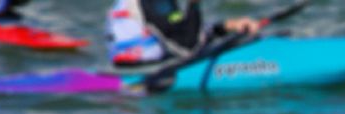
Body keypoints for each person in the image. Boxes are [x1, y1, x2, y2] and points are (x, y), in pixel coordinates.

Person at [106, 0, 260, 67]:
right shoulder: (149, 2)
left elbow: (182, 30)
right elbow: (187, 47)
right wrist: (194, 4)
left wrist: (231, 26)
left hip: (155, 63)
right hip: (140, 75)